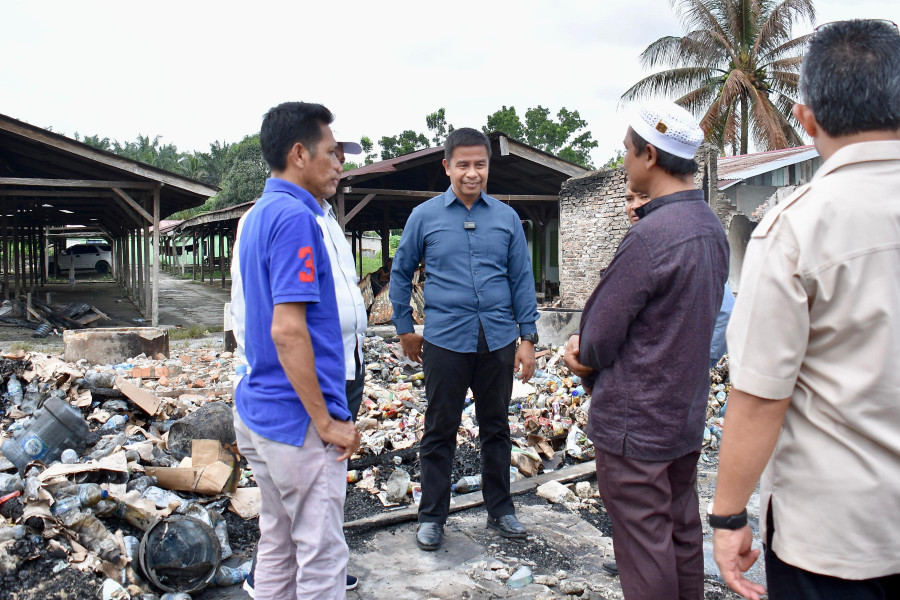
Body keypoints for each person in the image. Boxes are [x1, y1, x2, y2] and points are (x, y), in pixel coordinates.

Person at [712, 19, 900, 600]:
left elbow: (760, 397)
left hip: (837, 542)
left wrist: (727, 517)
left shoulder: (795, 230)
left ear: (806, 118)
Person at [564, 101, 728, 599]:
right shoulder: (709, 228)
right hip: (682, 415)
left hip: (637, 425)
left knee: (644, 544)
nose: (624, 162)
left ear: (650, 156)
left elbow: (596, 338)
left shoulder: (650, 236)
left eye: (627, 152)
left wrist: (581, 358)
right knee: (680, 530)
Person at [231, 101, 361, 600]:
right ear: (300, 154)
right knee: (322, 556)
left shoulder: (261, 214)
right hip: (296, 421)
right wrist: (326, 422)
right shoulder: (295, 220)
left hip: (259, 409)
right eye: (332, 152)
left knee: (278, 543)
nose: (339, 163)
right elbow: (288, 331)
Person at [390, 127, 539, 551]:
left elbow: (521, 280)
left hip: (497, 343)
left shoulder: (507, 218)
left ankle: (501, 509)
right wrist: (405, 328)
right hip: (444, 343)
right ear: (447, 167)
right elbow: (400, 274)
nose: (471, 173)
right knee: (439, 429)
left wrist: (527, 338)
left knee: (496, 427)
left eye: (480, 165)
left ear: (489, 167)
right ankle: (432, 517)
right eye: (463, 165)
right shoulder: (425, 217)